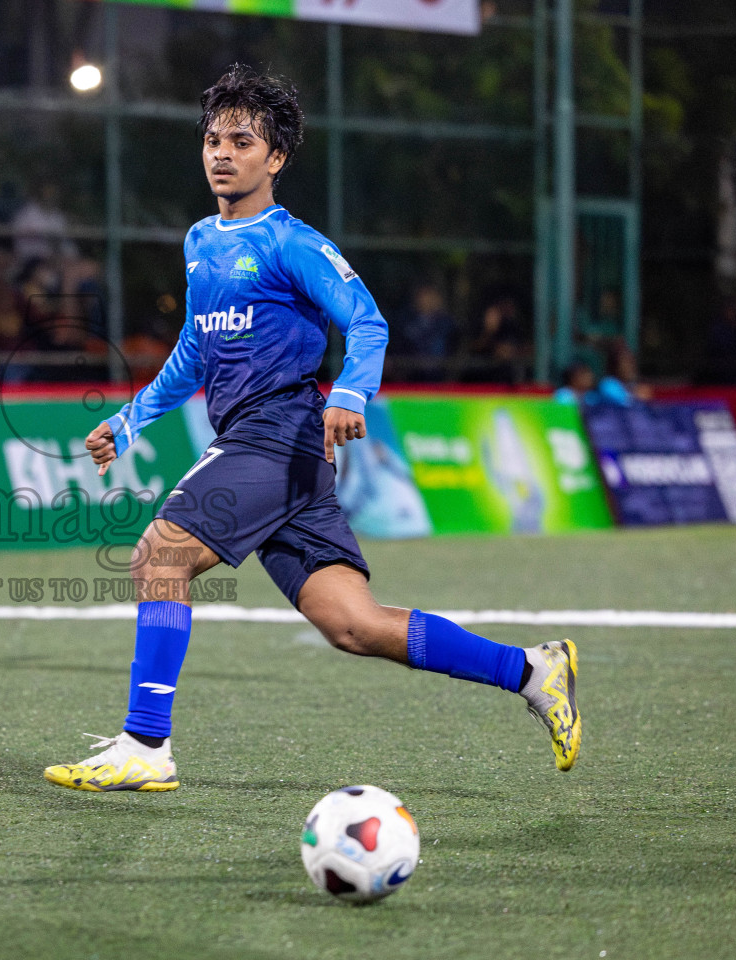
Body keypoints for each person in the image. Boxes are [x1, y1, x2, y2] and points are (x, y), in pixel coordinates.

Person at [44, 66, 581, 794]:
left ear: (277, 159)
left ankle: (146, 744)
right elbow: (195, 351)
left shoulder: (293, 243)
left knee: (159, 556)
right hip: (269, 451)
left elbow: (368, 320)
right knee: (353, 624)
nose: (221, 153)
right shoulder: (201, 241)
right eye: (212, 139)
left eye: (241, 140)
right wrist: (131, 417)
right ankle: (531, 670)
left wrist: (351, 391)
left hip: (279, 436)